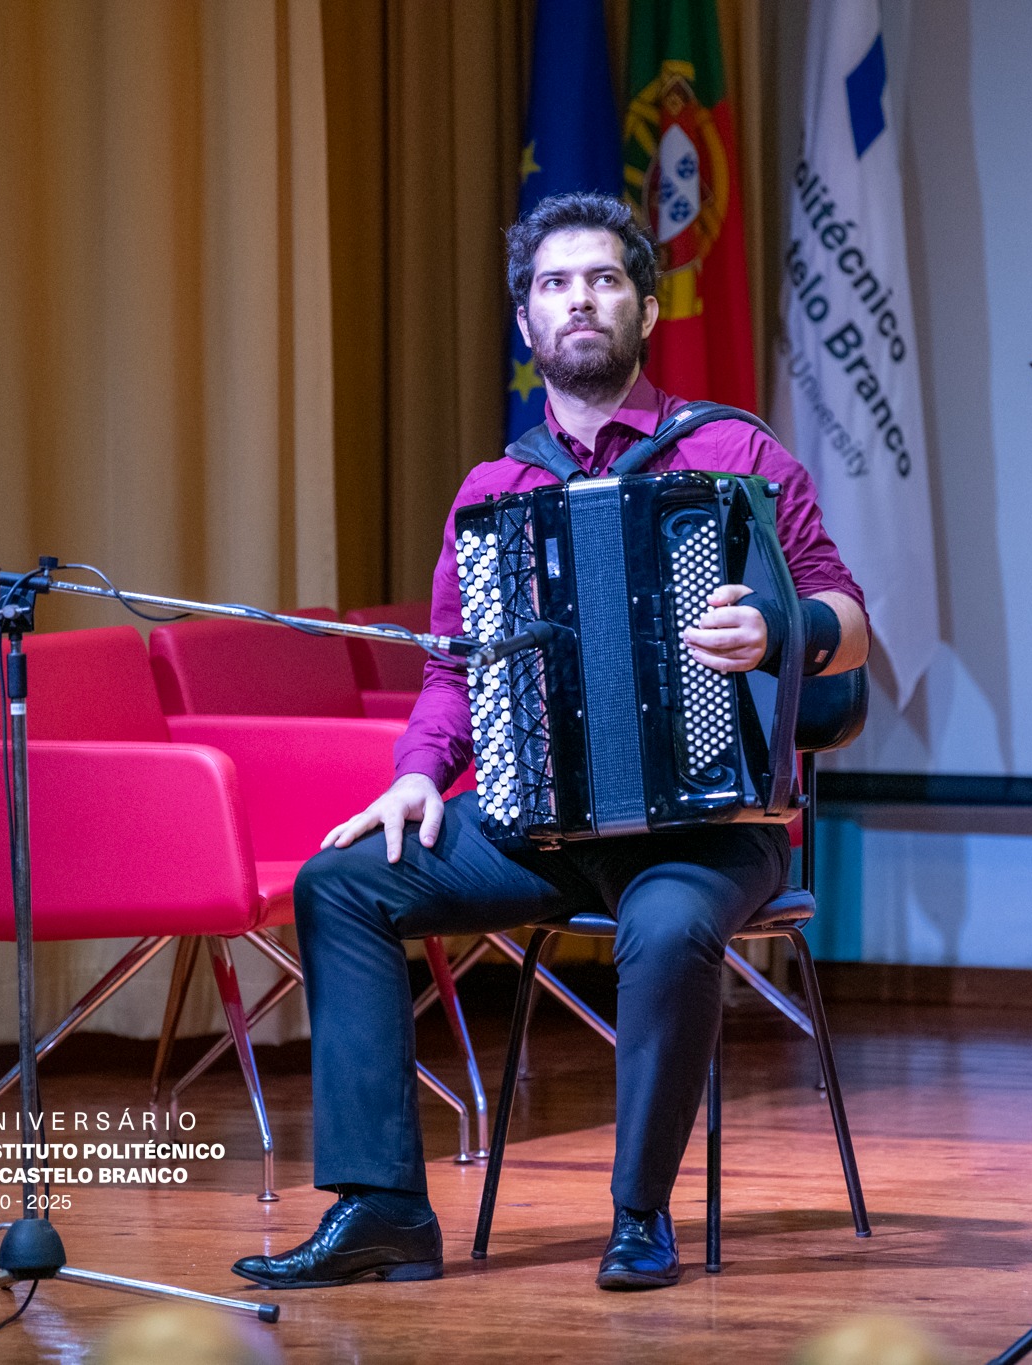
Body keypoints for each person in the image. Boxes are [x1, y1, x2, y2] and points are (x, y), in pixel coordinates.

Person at [232, 191, 867, 1294]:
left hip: (713, 826)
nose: (579, 299)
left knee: (666, 929)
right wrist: (416, 778)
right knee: (339, 881)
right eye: (553, 284)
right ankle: (382, 1208)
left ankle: (638, 1216)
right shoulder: (496, 490)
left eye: (603, 278)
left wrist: (778, 630)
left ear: (643, 307)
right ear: (526, 323)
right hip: (543, 819)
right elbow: (453, 668)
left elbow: (849, 620)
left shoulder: (729, 450)